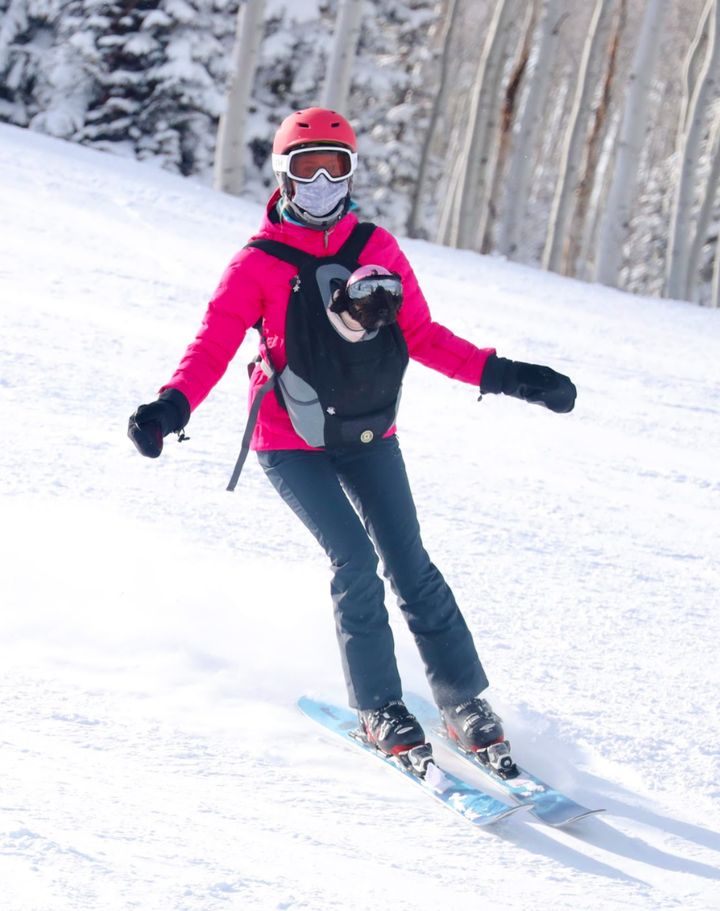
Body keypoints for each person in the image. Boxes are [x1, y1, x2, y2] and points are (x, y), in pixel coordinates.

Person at [128, 107, 576, 771]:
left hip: (369, 431)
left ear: (351, 172)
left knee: (410, 563)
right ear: (283, 174)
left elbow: (422, 336)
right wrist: (172, 404)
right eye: (305, 168)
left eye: (333, 167)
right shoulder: (257, 264)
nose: (319, 182)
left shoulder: (376, 248)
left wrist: (507, 375)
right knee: (356, 562)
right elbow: (215, 341)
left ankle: (464, 703)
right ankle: (379, 707)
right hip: (289, 441)